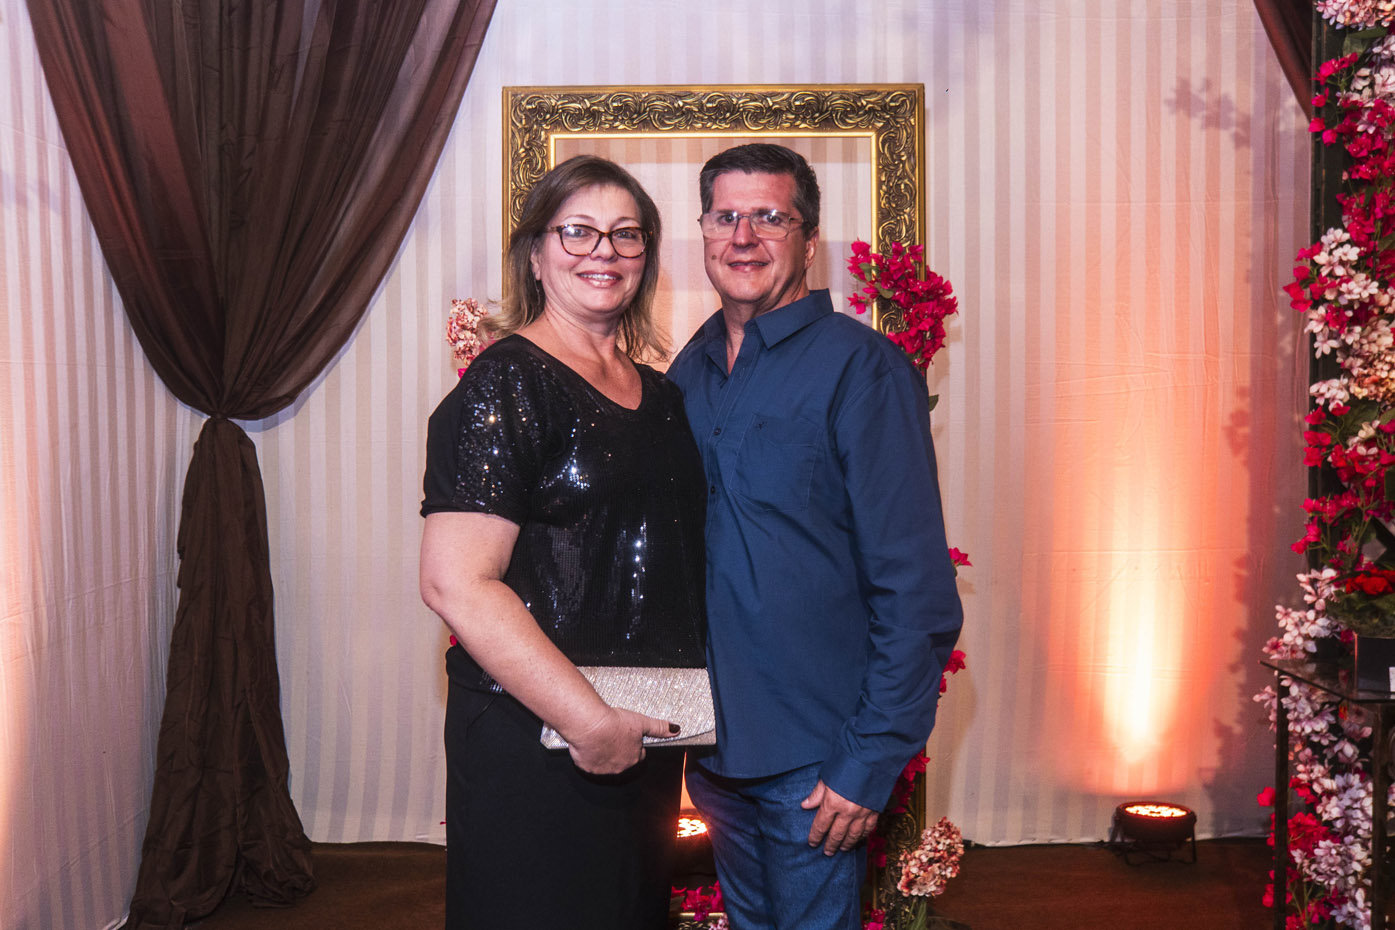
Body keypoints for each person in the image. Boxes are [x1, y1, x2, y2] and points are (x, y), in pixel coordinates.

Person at [667, 143, 964, 930]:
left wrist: (867, 761)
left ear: (808, 240)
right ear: (703, 231)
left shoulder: (863, 370)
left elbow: (916, 591)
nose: (743, 237)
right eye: (725, 217)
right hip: (714, 752)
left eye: (769, 217)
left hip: (815, 759)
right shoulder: (687, 372)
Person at [419, 155, 707, 930]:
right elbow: (456, 581)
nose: (602, 251)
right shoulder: (505, 383)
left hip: (639, 732)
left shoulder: (664, 395)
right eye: (577, 231)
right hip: (537, 735)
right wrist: (586, 720)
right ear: (535, 255)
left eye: (625, 234)